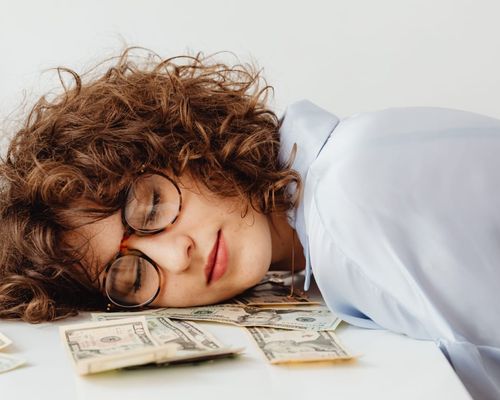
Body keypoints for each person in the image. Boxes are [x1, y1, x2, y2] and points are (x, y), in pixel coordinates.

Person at [0, 48, 498, 399]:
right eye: (130, 276)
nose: (176, 257)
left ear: (185, 144)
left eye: (151, 209)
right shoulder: (319, 222)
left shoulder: (350, 200)